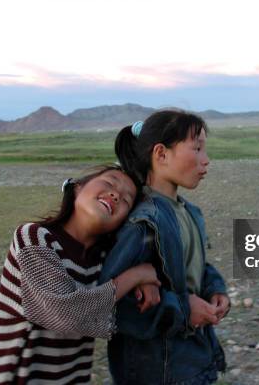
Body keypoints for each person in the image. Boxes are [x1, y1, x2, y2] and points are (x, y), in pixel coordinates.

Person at [0, 164, 161, 384]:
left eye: (127, 200)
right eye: (109, 183)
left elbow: (120, 306)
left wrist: (148, 281)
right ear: (78, 187)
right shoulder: (35, 238)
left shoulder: (102, 261)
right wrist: (136, 276)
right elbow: (65, 316)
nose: (116, 195)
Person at [98, 109, 231, 385]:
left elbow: (194, 266)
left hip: (189, 356)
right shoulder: (144, 223)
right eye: (196, 149)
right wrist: (183, 309)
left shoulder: (189, 211)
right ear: (161, 154)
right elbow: (117, 303)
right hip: (156, 368)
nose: (206, 160)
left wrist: (214, 288)